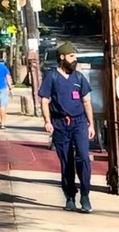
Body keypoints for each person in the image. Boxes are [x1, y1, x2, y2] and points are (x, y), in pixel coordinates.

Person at [38, 41, 95, 213]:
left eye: (75, 56)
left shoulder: (78, 77)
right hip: (60, 123)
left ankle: (85, 194)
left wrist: (91, 124)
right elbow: (44, 100)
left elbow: (86, 101)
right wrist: (47, 121)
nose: (74, 60)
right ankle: (70, 196)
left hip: (79, 123)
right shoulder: (52, 77)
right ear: (62, 57)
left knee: (83, 158)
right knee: (67, 161)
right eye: (71, 56)